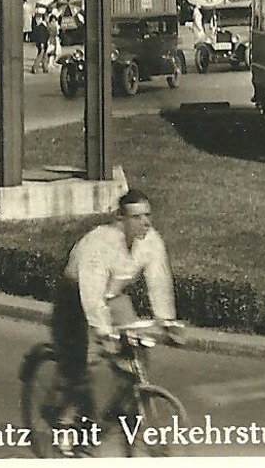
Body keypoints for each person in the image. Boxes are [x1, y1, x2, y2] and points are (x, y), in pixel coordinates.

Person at [51, 189, 179, 452]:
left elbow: (159, 280)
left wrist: (167, 322)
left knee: (136, 352)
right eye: (137, 217)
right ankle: (66, 423)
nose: (146, 222)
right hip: (76, 297)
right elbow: (91, 293)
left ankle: (129, 402)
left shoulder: (151, 241)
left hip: (113, 295)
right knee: (87, 364)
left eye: (148, 215)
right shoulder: (100, 244)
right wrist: (103, 332)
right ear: (121, 219)